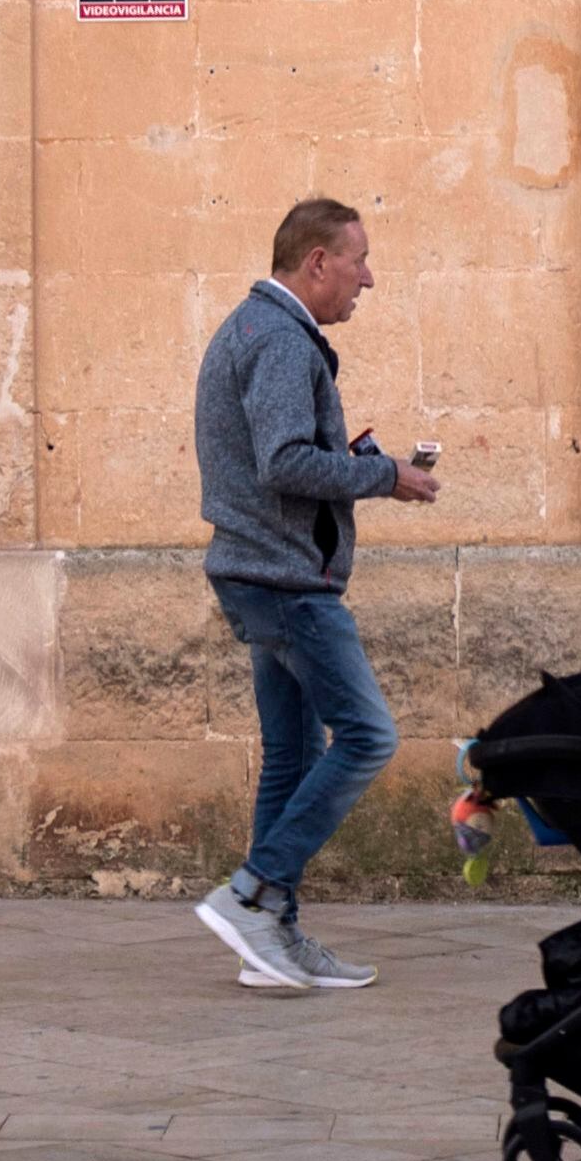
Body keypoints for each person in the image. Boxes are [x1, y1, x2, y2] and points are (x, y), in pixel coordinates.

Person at [191, 197, 440, 991]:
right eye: (359, 261)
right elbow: (285, 463)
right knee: (368, 738)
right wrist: (382, 473)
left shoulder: (264, 333)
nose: (369, 278)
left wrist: (371, 471)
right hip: (287, 584)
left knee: (292, 758)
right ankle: (253, 895)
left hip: (268, 574)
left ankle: (270, 946)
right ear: (317, 263)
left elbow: (287, 458)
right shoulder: (278, 342)